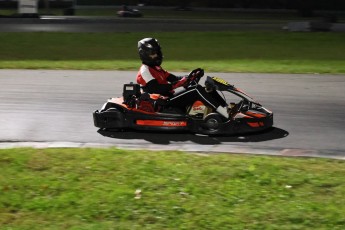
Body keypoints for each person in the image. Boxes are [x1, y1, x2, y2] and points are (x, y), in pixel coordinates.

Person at [136, 37, 229, 119]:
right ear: (145, 55)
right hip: (161, 103)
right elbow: (156, 88)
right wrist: (178, 84)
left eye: (157, 52)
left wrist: (190, 76)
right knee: (196, 90)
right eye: (153, 53)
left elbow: (174, 78)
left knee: (208, 88)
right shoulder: (145, 70)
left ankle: (225, 108)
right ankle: (224, 113)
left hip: (167, 98)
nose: (156, 55)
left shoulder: (156, 68)